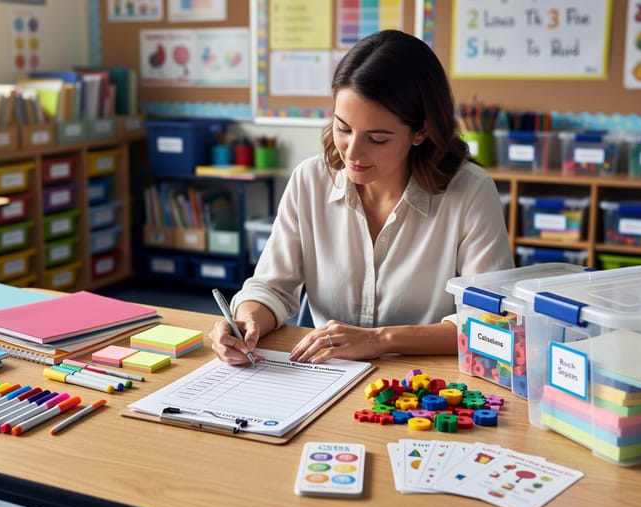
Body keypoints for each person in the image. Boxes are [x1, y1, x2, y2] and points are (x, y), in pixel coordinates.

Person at [209, 30, 513, 366]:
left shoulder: (470, 192)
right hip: (326, 374)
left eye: (378, 138)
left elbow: (489, 324)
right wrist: (248, 320)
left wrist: (379, 340)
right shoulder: (310, 180)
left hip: (423, 383)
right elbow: (271, 287)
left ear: (421, 131)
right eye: (343, 128)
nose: (352, 152)